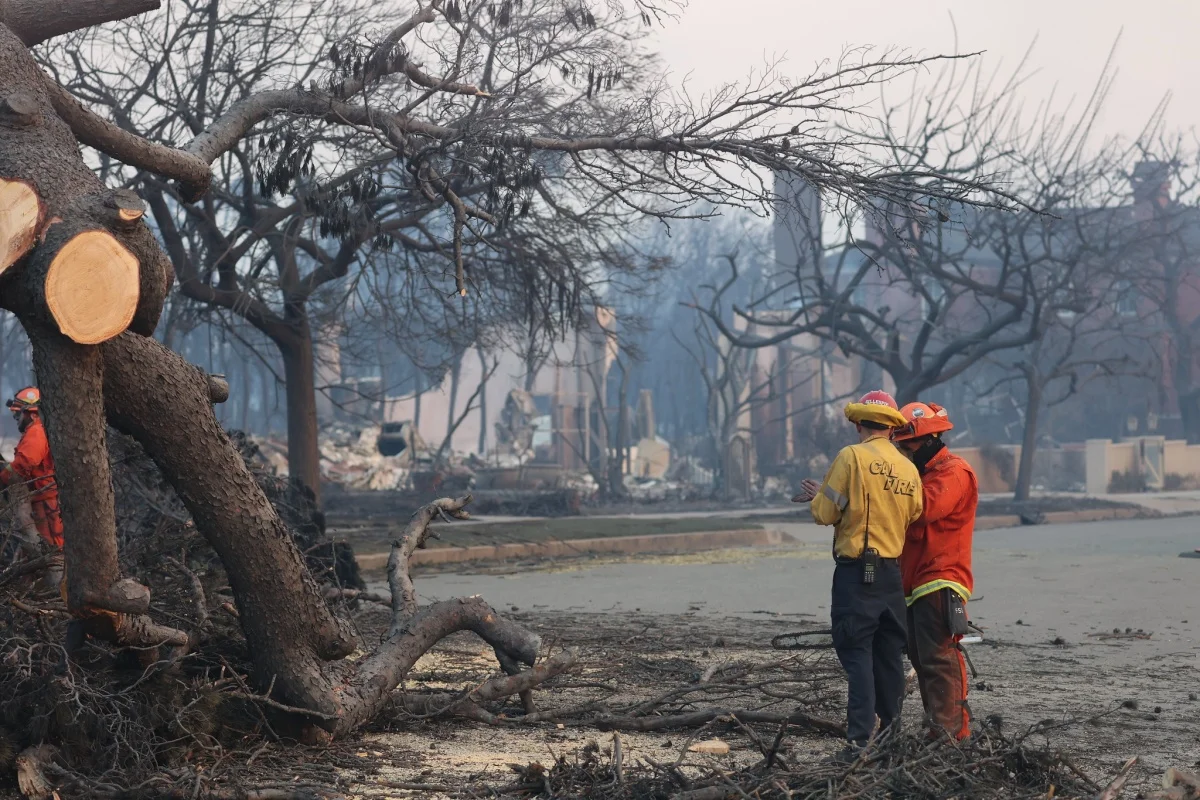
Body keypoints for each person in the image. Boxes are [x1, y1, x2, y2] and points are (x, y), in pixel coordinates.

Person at [793, 390, 923, 757]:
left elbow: (825, 513)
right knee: (888, 656)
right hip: (891, 577)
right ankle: (891, 736)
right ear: (890, 428)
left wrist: (821, 497)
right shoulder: (907, 467)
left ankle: (858, 741)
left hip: (857, 575)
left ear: (858, 424)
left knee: (857, 655)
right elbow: (913, 513)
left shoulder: (850, 457)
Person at [892, 401, 978, 741]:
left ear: (929, 440)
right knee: (922, 658)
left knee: (940, 658)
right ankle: (937, 728)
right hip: (916, 584)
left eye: (908, 444)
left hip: (940, 580)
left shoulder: (953, 473)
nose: (903, 450)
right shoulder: (924, 475)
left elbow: (921, 509)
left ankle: (952, 734)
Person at [0, 387, 63, 549]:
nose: (16, 419)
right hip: (39, 501)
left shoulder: (36, 432)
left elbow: (24, 463)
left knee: (50, 551)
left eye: (17, 414)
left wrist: (3, 476)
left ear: (30, 413)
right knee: (35, 552)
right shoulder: (38, 430)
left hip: (45, 504)